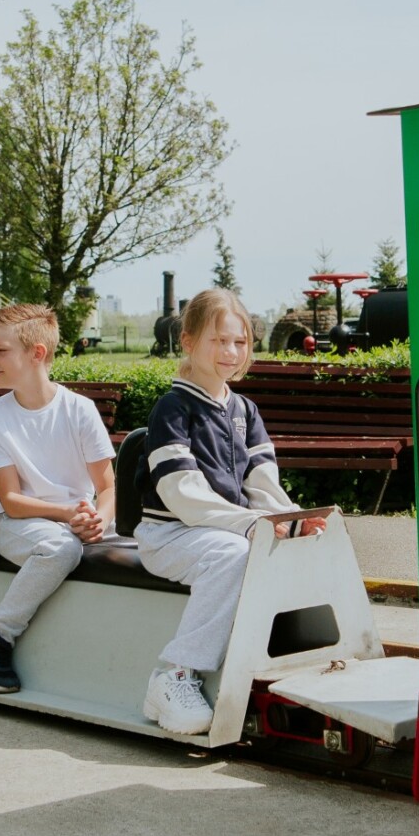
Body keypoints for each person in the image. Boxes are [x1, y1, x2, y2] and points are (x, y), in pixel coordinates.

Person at [133, 287, 307, 736]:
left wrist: (292, 518)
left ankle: (286, 664)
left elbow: (263, 484)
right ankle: (174, 675)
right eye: (218, 340)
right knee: (235, 553)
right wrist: (250, 523)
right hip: (170, 536)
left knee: (302, 544)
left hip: (225, 531)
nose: (230, 352)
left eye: (239, 341)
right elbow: (181, 492)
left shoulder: (245, 411)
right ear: (188, 342)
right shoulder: (173, 409)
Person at [0, 303, 114, 696]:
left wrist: (98, 518)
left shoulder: (80, 410)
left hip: (75, 521)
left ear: (37, 354)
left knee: (87, 542)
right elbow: (11, 500)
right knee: (60, 548)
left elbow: (108, 487)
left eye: (1, 351)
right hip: (17, 525)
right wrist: (68, 514)